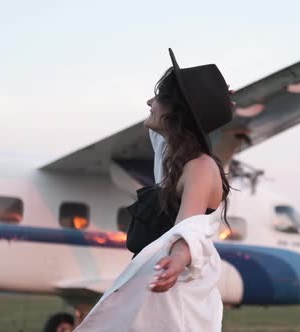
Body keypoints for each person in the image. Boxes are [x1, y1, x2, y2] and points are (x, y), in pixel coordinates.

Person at [73, 48, 235, 332]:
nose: (150, 102)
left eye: (159, 97)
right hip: (154, 296)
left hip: (174, 302)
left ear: (177, 111)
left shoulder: (199, 168)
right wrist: (205, 97)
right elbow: (161, 135)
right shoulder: (174, 161)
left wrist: (178, 258)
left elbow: (190, 229)